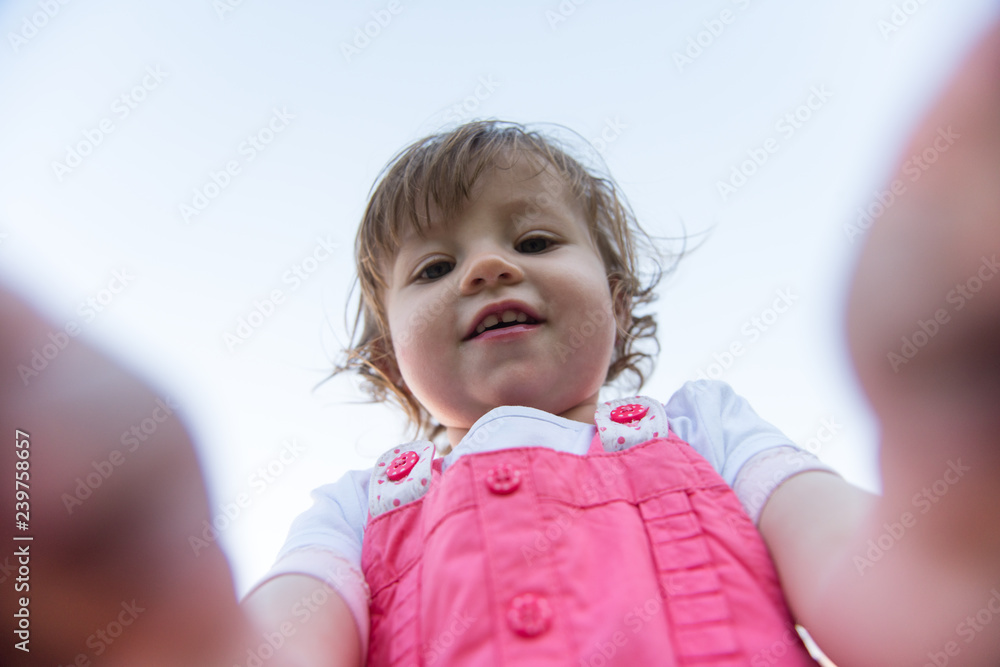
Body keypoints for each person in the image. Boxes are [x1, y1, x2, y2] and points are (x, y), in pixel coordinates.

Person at [243, 20, 1000, 667]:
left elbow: (846, 550)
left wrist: (950, 594)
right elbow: (287, 628)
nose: (489, 267)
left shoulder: (708, 431)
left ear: (616, 294)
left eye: (535, 239)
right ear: (389, 359)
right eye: (436, 267)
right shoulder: (353, 513)